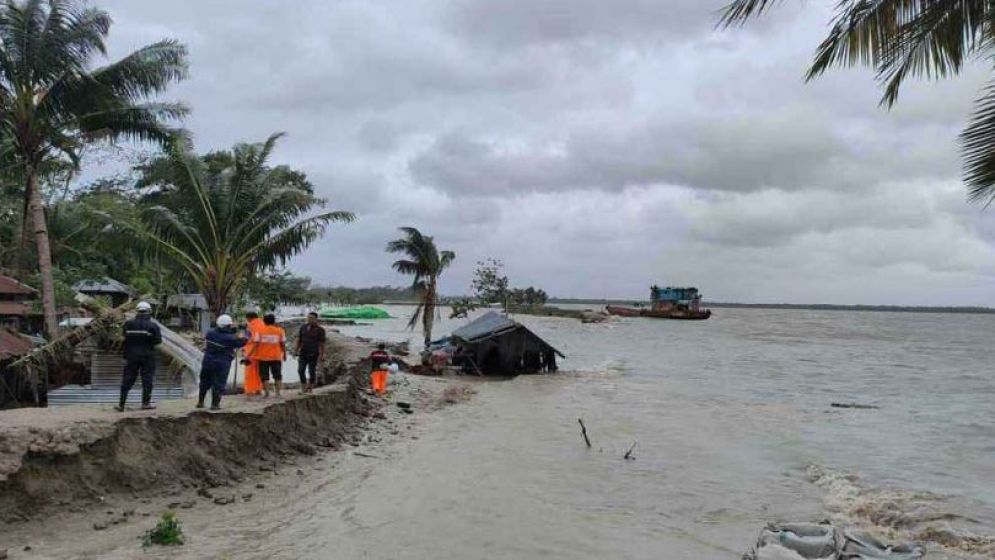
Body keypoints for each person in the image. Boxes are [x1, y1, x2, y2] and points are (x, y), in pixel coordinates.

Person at [117, 301, 162, 411]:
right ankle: (145, 403)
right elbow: (157, 341)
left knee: (127, 379)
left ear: (137, 311)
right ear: (149, 312)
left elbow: (124, 339)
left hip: (131, 356)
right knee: (147, 380)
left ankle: (121, 405)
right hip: (147, 356)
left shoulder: (128, 324)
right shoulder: (153, 326)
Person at [197, 314, 247, 410]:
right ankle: (215, 405)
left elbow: (223, 333)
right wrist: (242, 332)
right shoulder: (230, 338)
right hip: (222, 362)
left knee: (204, 381)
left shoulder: (210, 333)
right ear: (228, 325)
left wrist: (234, 329)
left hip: (208, 360)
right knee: (219, 383)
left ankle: (200, 402)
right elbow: (242, 342)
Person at [250, 313, 286, 397]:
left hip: (263, 357)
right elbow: (282, 344)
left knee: (264, 376)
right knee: (277, 375)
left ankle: (267, 393)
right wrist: (284, 354)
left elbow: (256, 344)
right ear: (274, 321)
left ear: (264, 321)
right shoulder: (280, 331)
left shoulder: (260, 331)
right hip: (276, 357)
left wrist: (249, 355)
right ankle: (278, 393)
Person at [295, 312, 326, 393]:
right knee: (300, 370)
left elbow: (321, 344)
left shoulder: (320, 330)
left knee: (311, 371)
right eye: (308, 317)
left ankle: (310, 387)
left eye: (312, 318)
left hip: (313, 353)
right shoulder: (303, 327)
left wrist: (322, 355)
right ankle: (303, 387)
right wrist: (296, 349)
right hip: (303, 352)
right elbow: (299, 340)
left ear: (316, 319)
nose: (309, 319)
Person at [241, 312, 264, 396]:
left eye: (247, 319)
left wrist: (247, 353)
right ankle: (258, 389)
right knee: (259, 371)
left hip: (251, 351)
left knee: (249, 372)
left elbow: (249, 339)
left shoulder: (251, 326)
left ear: (249, 318)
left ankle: (249, 390)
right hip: (262, 352)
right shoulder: (262, 324)